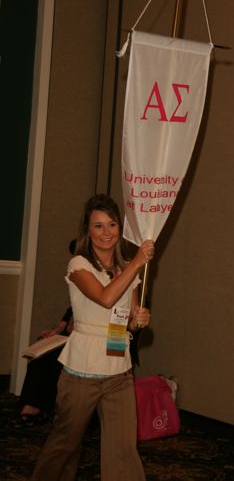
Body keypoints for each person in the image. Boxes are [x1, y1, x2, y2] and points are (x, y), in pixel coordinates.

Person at [31, 194, 155, 481]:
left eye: (112, 225)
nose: (106, 232)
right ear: (87, 230)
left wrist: (140, 320)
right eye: (98, 226)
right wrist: (137, 261)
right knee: (66, 444)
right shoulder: (79, 265)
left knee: (123, 449)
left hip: (118, 371)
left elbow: (129, 322)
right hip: (81, 372)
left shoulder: (127, 270)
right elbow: (105, 298)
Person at [17, 307, 73, 426]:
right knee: (41, 354)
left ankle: (41, 406)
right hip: (68, 337)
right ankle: (32, 405)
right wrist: (55, 330)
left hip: (90, 339)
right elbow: (64, 322)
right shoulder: (78, 295)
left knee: (55, 357)